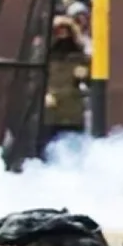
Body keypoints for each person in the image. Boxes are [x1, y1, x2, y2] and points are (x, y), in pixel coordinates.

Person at [43, 15, 90, 151]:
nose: (62, 35)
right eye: (58, 31)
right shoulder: (42, 56)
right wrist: (43, 95)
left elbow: (93, 84)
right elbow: (32, 80)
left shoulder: (80, 57)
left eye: (66, 31)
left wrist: (85, 74)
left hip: (72, 111)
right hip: (50, 111)